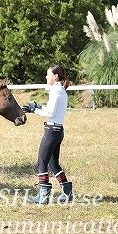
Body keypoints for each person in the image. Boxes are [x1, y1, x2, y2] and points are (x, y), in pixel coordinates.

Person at [22, 65, 73, 204]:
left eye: (48, 74)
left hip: (52, 132)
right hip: (57, 130)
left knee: (41, 163)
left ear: (55, 76)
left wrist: (35, 110)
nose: (46, 76)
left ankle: (43, 195)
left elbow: (50, 113)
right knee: (53, 163)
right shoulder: (59, 90)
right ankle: (67, 192)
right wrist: (39, 107)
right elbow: (52, 110)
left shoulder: (56, 91)